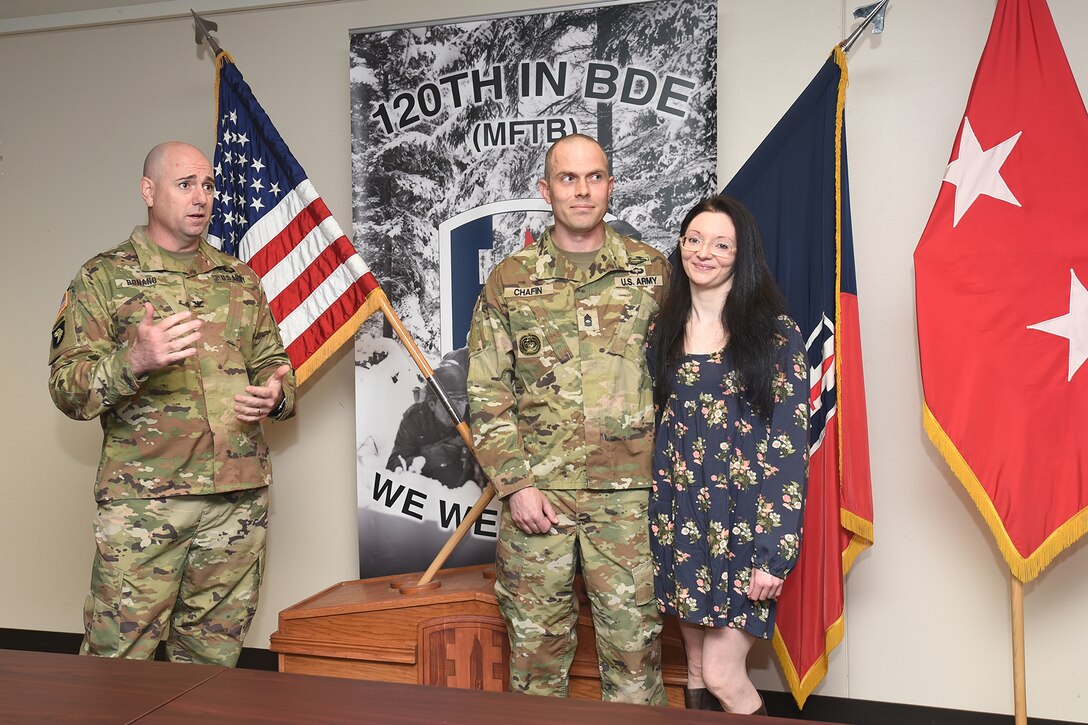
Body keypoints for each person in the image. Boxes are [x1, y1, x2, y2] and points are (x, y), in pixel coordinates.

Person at [48, 141, 295, 666]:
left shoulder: (239, 280)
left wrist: (277, 394)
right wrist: (132, 360)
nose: (201, 197)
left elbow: (276, 364)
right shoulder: (103, 278)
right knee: (117, 661)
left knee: (213, 664)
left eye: (208, 185)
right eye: (185, 185)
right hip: (145, 502)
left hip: (237, 500)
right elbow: (67, 387)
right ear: (148, 191)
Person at [467, 133, 669, 704]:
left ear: (610, 184)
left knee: (635, 661)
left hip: (629, 499)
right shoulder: (511, 280)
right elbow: (486, 390)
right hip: (539, 500)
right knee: (535, 666)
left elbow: (682, 379)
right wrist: (517, 485)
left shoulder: (653, 274)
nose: (582, 190)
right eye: (567, 178)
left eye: (594, 177)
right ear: (545, 189)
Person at [647, 195, 809, 714]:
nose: (704, 253)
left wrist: (774, 552)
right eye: (694, 240)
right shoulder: (662, 333)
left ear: (743, 255)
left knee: (721, 672)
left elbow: (789, 453)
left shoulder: (775, 336)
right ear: (680, 246)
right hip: (680, 523)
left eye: (721, 244)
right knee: (693, 668)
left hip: (745, 532)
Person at [386, 360, 482, 489]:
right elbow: (394, 465)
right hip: (426, 494)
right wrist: (429, 458)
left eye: (463, 401)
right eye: (452, 403)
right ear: (432, 403)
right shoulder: (415, 419)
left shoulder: (474, 417)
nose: (459, 409)